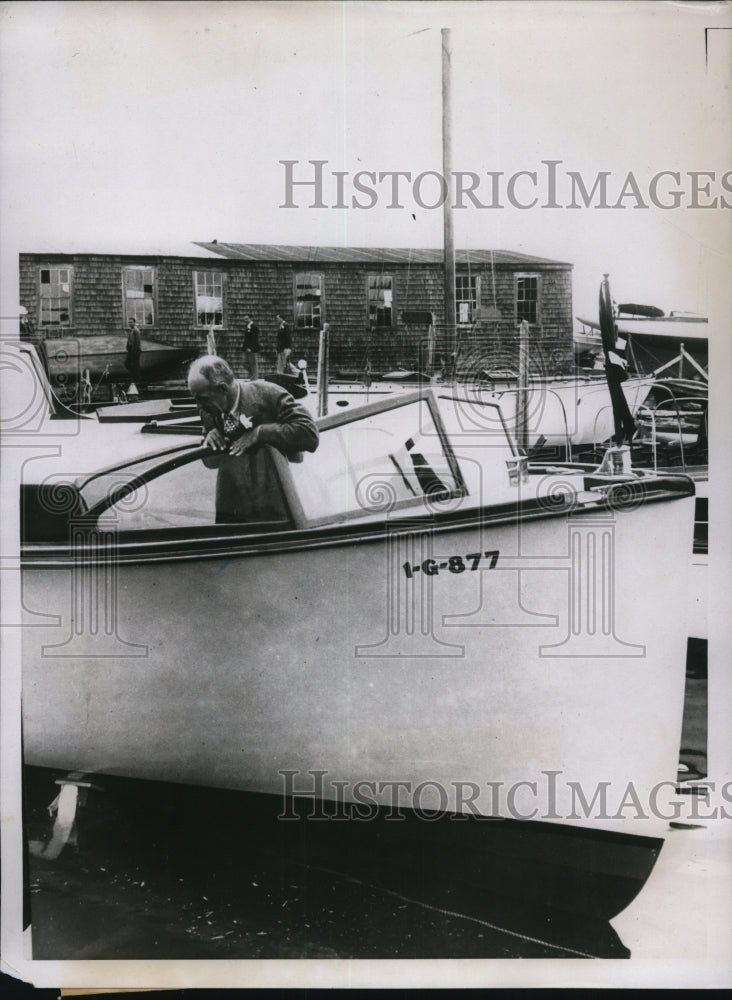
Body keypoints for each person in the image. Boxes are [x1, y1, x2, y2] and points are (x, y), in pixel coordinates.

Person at [188, 355, 318, 523]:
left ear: (223, 389)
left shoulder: (269, 395)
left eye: (202, 398)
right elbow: (211, 463)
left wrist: (260, 433)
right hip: (231, 509)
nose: (198, 405)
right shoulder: (208, 410)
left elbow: (309, 434)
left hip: (275, 506)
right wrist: (208, 441)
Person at [242, 314, 260, 379]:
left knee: (253, 363)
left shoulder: (254, 327)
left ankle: (254, 377)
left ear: (250, 319)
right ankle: (252, 374)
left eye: (247, 319)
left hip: (252, 348)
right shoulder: (247, 326)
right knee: (244, 363)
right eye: (244, 319)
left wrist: (251, 348)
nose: (245, 320)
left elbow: (254, 339)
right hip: (246, 348)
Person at [125, 316, 142, 383]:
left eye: (131, 322)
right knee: (127, 363)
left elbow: (137, 342)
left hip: (135, 350)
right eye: (129, 322)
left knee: (135, 364)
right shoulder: (132, 331)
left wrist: (135, 351)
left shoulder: (136, 331)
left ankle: (137, 378)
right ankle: (134, 376)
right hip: (131, 350)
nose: (130, 323)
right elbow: (130, 340)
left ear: (134, 323)